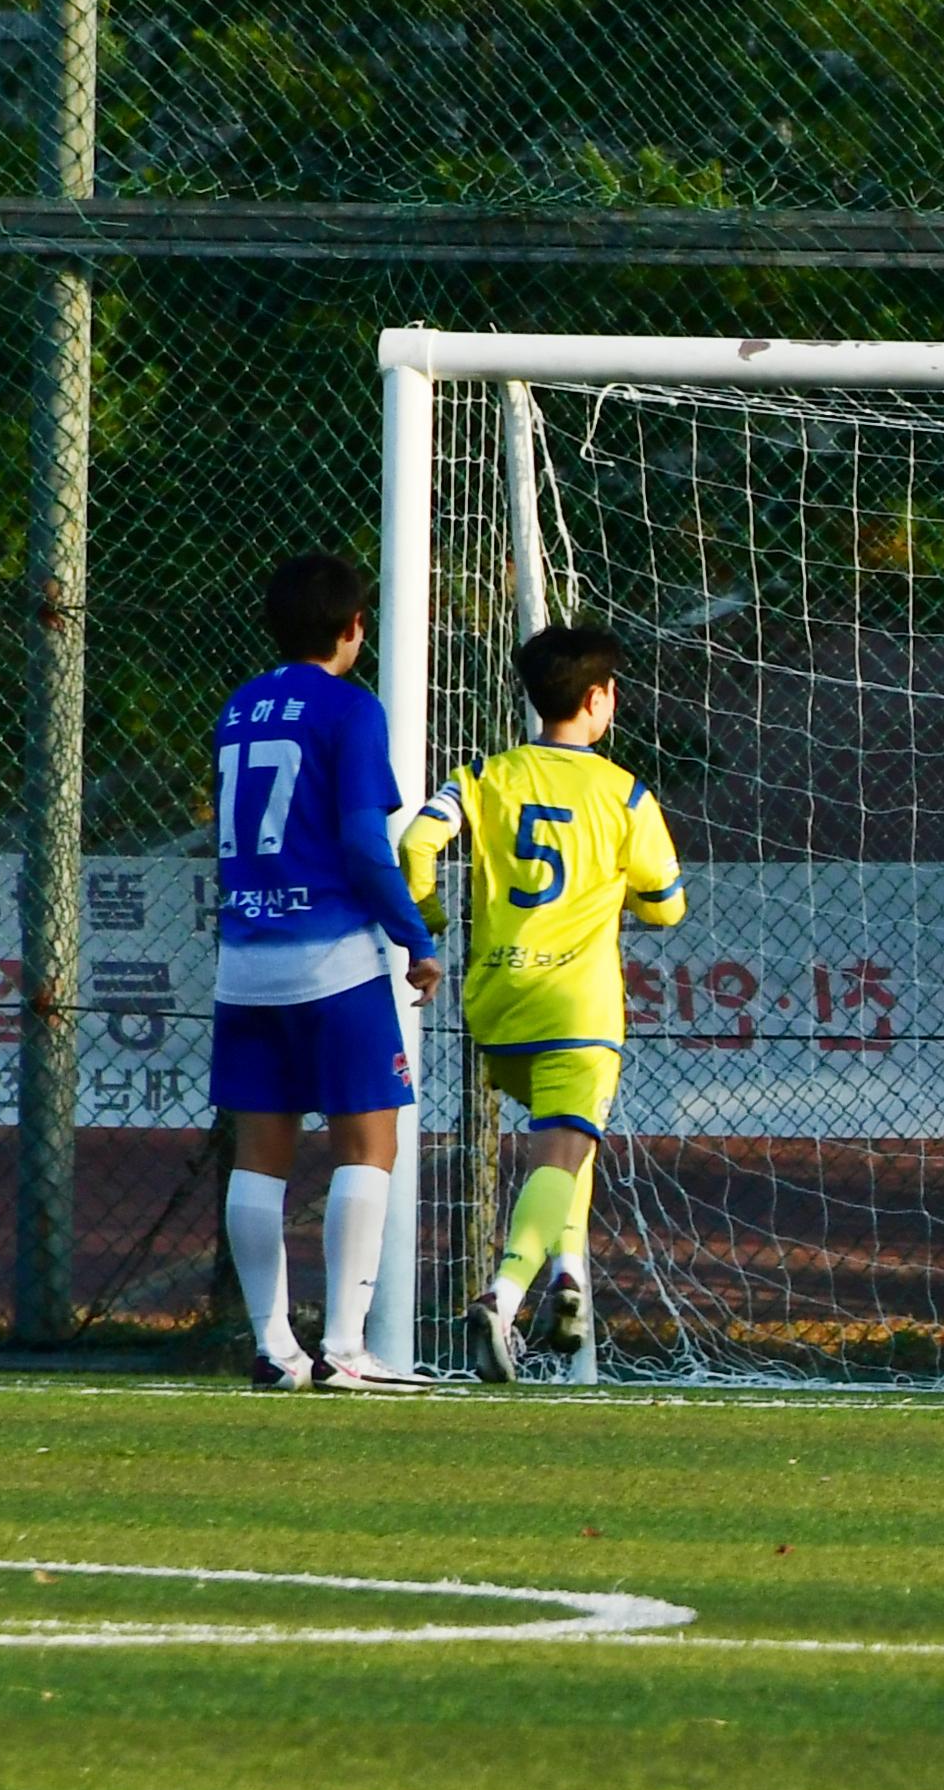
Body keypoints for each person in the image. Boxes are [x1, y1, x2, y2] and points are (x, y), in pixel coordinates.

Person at [399, 624, 685, 1384]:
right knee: (562, 1145)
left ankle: (569, 1280)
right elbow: (667, 907)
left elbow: (417, 845)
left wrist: (426, 924)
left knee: (566, 1144)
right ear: (598, 700)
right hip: (577, 1003)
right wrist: (614, 886)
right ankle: (504, 1293)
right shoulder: (624, 792)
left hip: (497, 997)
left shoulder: (486, 774)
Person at [210, 552, 438, 1387]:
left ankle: (274, 1347)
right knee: (368, 1140)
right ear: (353, 628)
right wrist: (416, 936)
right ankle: (344, 1346)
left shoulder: (239, 707)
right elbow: (362, 845)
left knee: (260, 1153)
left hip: (243, 960)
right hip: (333, 958)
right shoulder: (350, 708)